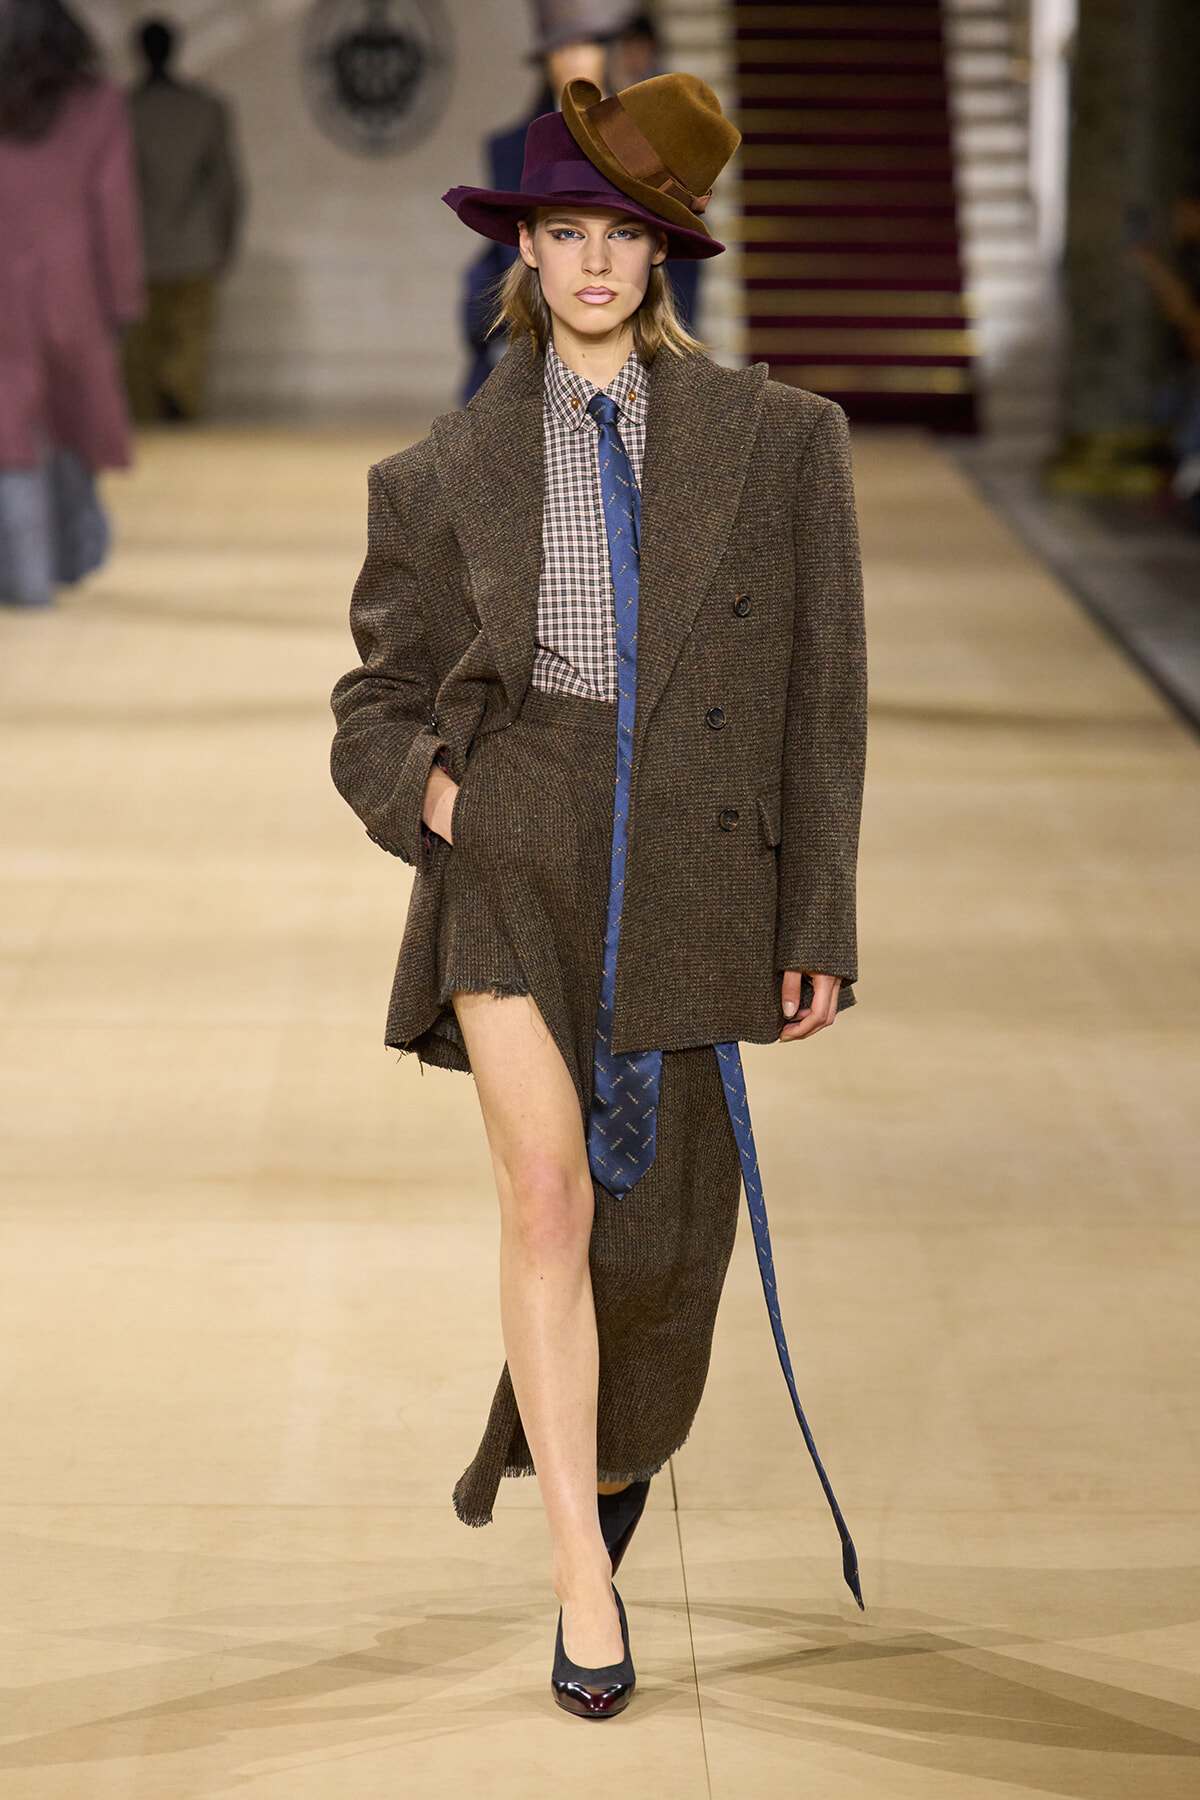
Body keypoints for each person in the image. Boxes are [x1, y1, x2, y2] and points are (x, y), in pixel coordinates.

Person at [331, 72, 867, 1718]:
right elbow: (375, 691)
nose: (589, 265)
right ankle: (585, 1579)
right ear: (526, 253)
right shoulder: (437, 475)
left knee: (668, 1234)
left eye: (617, 236)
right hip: (516, 843)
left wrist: (817, 920)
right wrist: (435, 789)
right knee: (550, 1196)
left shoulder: (780, 448)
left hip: (693, 850)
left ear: (661, 257)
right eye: (563, 233)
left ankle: (607, 1439)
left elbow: (823, 700)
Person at [461, 9, 697, 402]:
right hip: (532, 321)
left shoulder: (646, 139)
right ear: (546, 61)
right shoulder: (508, 149)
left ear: (607, 53)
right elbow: (505, 247)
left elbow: (674, 242)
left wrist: (676, 336)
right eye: (562, 48)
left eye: (586, 45)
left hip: (637, 322)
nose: (575, 58)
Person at [0, 0, 143, 610]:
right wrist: (123, 295)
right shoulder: (98, 102)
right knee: (67, 421)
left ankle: (24, 575)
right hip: (71, 284)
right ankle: (62, 559)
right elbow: (114, 206)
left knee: (9, 428)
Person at [122, 16, 242, 423]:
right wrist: (224, 242)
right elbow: (226, 185)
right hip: (196, 249)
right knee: (187, 357)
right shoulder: (204, 109)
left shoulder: (121, 112)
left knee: (141, 362)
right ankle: (180, 423)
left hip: (137, 253)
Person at [1130, 189, 1200, 525]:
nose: (1179, 222)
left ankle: (1182, 492)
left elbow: (1187, 316)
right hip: (1188, 364)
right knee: (1165, 408)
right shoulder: (1188, 257)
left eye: (1185, 213)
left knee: (1187, 431)